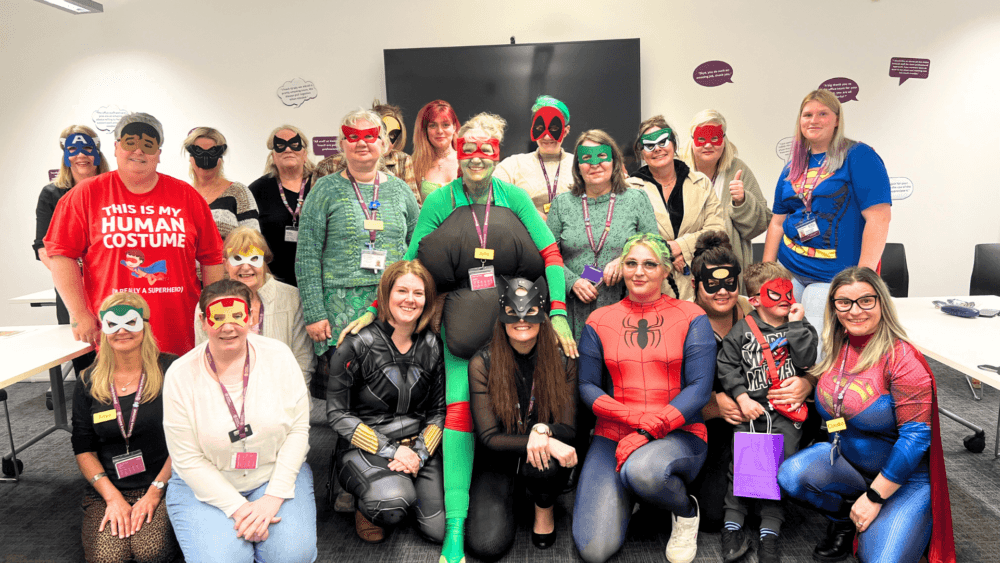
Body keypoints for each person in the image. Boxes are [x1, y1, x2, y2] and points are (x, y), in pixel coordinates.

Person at [338, 113, 577, 563]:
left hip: (514, 326)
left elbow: (551, 254)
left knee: (533, 400)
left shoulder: (514, 197)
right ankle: (454, 528)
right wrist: (374, 308)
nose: (477, 157)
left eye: (486, 149)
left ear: (497, 154)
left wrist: (560, 314)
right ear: (458, 153)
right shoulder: (439, 200)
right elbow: (411, 261)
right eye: (469, 149)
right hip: (461, 330)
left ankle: (537, 491)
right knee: (459, 416)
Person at [778, 267, 955, 563]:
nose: (854, 311)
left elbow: (916, 438)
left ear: (882, 303)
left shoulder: (903, 360)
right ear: (834, 308)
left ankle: (887, 514)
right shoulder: (839, 344)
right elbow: (838, 397)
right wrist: (808, 382)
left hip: (904, 480)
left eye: (865, 301)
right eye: (844, 302)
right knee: (791, 476)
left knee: (879, 559)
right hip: (849, 464)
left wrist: (874, 498)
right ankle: (844, 519)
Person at [573, 233, 715, 563]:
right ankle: (634, 495)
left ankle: (685, 511)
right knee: (594, 550)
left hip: (679, 433)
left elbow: (699, 388)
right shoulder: (599, 319)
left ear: (666, 270)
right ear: (621, 268)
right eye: (631, 263)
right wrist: (638, 422)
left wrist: (649, 430)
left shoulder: (692, 315)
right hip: (613, 435)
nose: (639, 271)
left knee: (643, 472)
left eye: (650, 264)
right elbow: (588, 387)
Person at [44, 112, 225, 355]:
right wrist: (79, 313)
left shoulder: (187, 196)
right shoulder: (85, 195)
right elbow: (60, 254)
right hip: (115, 330)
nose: (138, 151)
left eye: (148, 145)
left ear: (158, 153)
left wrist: (213, 309)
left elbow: (212, 258)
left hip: (180, 332)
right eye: (130, 142)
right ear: (116, 148)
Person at [163, 280, 316, 563]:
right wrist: (240, 510)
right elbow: (186, 457)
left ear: (251, 317)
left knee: (291, 557)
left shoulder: (279, 357)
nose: (228, 327)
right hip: (206, 483)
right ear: (202, 321)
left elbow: (298, 430)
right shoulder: (180, 374)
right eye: (218, 318)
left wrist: (273, 498)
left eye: (236, 315)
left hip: (272, 474)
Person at [326, 260, 445, 543]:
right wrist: (392, 450)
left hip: (417, 447)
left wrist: (419, 454)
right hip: (367, 446)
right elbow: (337, 414)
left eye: (418, 293)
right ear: (385, 295)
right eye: (401, 291)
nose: (410, 299)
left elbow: (438, 411)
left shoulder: (432, 344)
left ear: (427, 300)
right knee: (389, 506)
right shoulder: (356, 343)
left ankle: (403, 487)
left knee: (439, 531)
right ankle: (365, 502)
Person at [763, 90, 892, 340]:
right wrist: (766, 273)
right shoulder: (794, 165)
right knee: (777, 338)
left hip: (832, 277)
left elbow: (879, 218)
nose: (814, 120)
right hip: (789, 271)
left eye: (823, 114)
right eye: (807, 115)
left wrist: (862, 280)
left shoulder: (859, 156)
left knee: (815, 345)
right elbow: (777, 222)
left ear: (836, 119)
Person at [467, 276, 578, 559]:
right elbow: (489, 437)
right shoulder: (483, 362)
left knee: (546, 463)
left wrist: (543, 430)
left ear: (542, 315)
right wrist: (544, 440)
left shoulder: (562, 359)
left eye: (530, 311)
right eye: (512, 312)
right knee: (486, 546)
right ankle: (512, 493)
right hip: (498, 457)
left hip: (543, 463)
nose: (521, 319)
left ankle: (544, 505)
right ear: (502, 316)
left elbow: (568, 428)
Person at [296, 109, 420, 360]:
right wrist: (314, 313)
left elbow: (418, 248)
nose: (361, 143)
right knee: (346, 381)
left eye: (370, 136)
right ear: (342, 144)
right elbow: (307, 255)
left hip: (394, 305)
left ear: (383, 144)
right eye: (353, 137)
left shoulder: (400, 190)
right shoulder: (324, 189)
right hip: (339, 310)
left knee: (395, 378)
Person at [716, 261, 819, 563]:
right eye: (776, 294)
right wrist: (741, 397)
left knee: (777, 471)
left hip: (787, 414)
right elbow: (727, 366)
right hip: (752, 412)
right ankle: (732, 527)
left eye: (789, 292)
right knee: (741, 468)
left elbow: (807, 359)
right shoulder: (741, 330)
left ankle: (769, 532)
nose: (786, 299)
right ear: (756, 300)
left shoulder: (800, 326)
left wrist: (797, 325)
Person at [71, 292, 179, 563]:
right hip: (108, 487)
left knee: (150, 552)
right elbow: (83, 447)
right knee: (108, 558)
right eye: (112, 324)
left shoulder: (172, 370)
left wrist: (155, 492)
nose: (121, 331)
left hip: (163, 483)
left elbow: (186, 440)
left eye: (130, 322)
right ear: (104, 328)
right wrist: (112, 497)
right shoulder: (88, 380)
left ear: (145, 325)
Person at [546, 129, 657, 340]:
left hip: (625, 306)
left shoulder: (636, 199)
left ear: (614, 161)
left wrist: (625, 260)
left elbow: (655, 246)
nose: (595, 164)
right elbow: (548, 255)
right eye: (586, 158)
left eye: (602, 156)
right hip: (575, 309)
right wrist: (571, 282)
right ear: (578, 166)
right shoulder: (562, 204)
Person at [685, 231, 753, 533]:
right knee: (713, 517)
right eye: (712, 284)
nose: (723, 292)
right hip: (701, 425)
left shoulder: (756, 312)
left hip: (753, 423)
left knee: (757, 508)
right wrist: (710, 407)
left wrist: (806, 381)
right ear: (695, 284)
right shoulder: (680, 320)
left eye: (730, 283)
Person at [194, 227, 314, 387]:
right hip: (226, 393)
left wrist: (291, 397)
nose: (246, 267)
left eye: (254, 258)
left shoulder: (292, 298)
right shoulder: (208, 303)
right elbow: (204, 360)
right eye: (237, 258)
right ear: (225, 264)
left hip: (281, 393)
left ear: (264, 262)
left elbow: (303, 361)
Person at [34, 124, 108, 372]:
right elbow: (43, 248)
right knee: (86, 365)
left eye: (87, 148)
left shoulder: (114, 189)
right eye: (73, 150)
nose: (81, 156)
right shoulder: (52, 194)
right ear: (65, 154)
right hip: (75, 291)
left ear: (98, 151)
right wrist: (73, 276)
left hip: (111, 284)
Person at [628, 115, 724, 302]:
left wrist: (680, 246)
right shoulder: (630, 189)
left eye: (663, 142)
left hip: (698, 287)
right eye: (649, 145)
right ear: (641, 153)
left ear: (674, 144)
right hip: (651, 290)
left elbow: (717, 230)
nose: (657, 149)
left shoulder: (701, 183)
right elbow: (629, 238)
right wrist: (666, 252)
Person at [680, 110, 771, 289]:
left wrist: (742, 202)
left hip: (730, 269)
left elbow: (761, 223)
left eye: (715, 138)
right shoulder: (677, 171)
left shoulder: (738, 169)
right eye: (701, 139)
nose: (708, 145)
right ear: (691, 140)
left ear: (724, 139)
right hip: (686, 269)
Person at [247, 125, 316, 287]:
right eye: (280, 145)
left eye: (294, 144)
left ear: (305, 154)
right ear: (273, 156)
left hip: (318, 278)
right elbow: (250, 239)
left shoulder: (321, 184)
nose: (288, 149)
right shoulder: (257, 190)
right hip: (273, 281)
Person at [314, 99, 419, 201]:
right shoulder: (328, 166)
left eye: (392, 135)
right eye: (355, 136)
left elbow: (413, 205)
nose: (386, 140)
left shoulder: (403, 161)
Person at [494, 95, 576, 217]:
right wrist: (530, 214)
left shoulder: (579, 165)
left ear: (565, 131)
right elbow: (493, 196)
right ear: (533, 129)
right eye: (540, 128)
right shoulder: (512, 165)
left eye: (554, 128)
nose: (547, 137)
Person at [182, 127, 259, 240]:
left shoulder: (238, 193)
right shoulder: (181, 195)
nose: (205, 160)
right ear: (190, 157)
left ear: (221, 157)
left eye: (212, 153)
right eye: (198, 152)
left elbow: (253, 240)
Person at [411, 99, 460, 203]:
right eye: (433, 125)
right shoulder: (414, 165)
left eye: (445, 124)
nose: (439, 131)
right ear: (426, 130)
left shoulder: (465, 161)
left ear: (454, 127)